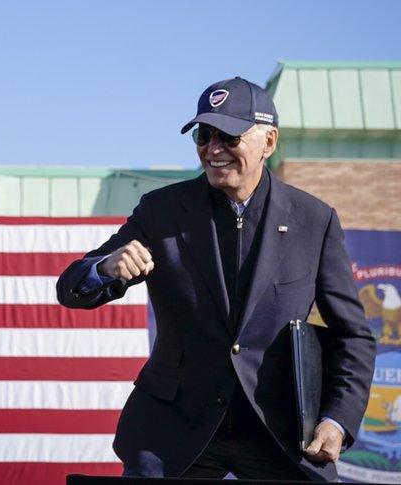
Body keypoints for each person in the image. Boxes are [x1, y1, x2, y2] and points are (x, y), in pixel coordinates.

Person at [56, 77, 375, 481]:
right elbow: (71, 289)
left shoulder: (314, 220)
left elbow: (354, 336)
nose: (213, 149)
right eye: (203, 135)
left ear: (269, 142)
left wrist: (337, 419)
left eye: (228, 136)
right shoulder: (161, 211)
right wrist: (104, 268)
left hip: (278, 433)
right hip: (173, 432)